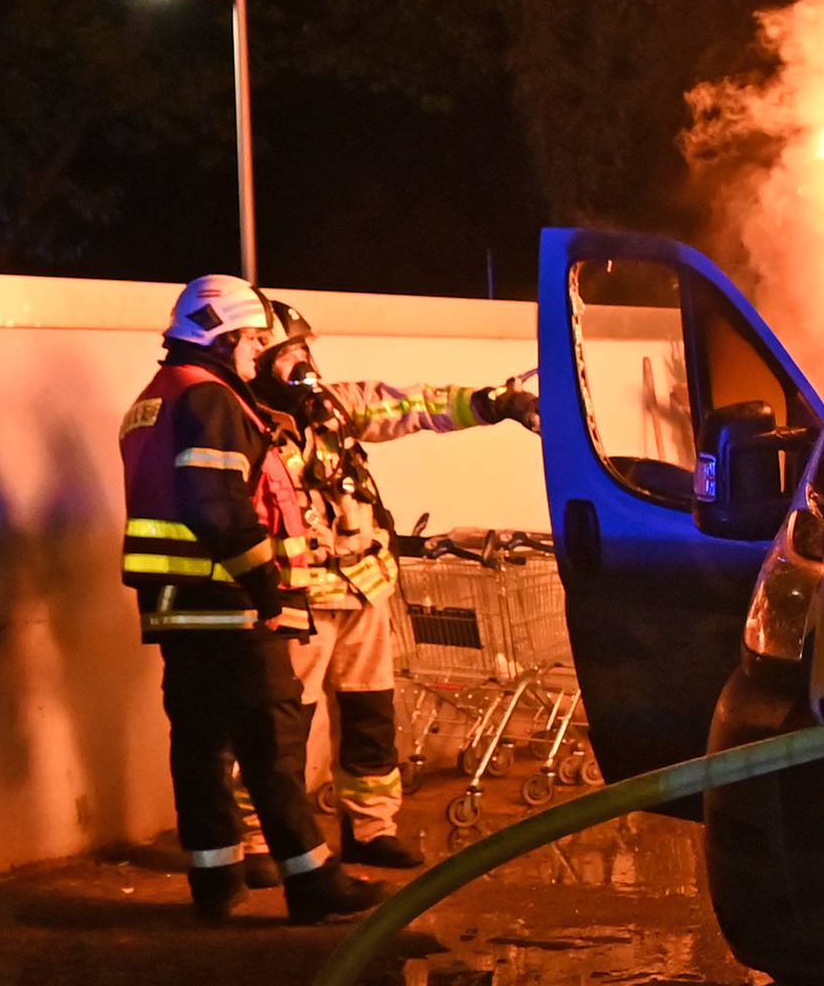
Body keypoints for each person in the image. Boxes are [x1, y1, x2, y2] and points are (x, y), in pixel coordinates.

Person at [228, 298, 539, 871]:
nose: (303, 363)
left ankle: (370, 830)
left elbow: (415, 404)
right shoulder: (242, 425)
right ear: (260, 358)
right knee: (281, 725)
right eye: (289, 354)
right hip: (295, 598)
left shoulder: (334, 407)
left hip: (364, 588)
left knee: (371, 718)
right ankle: (258, 839)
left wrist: (496, 404)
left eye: (306, 350)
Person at [118, 276, 386, 923]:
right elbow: (216, 504)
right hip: (233, 607)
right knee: (273, 751)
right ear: (224, 334)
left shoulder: (153, 399)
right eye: (256, 338)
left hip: (179, 607)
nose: (260, 351)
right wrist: (267, 586)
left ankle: (216, 883)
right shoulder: (210, 398)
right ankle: (313, 884)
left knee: (202, 747)